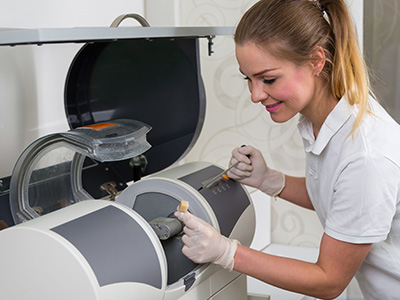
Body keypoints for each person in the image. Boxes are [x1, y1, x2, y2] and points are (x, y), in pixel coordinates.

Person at [174, 0, 400, 299]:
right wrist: (269, 180)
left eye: (268, 79)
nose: (256, 95)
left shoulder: (366, 156)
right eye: (249, 79)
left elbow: (329, 281)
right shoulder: (329, 118)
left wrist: (227, 252)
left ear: (316, 61)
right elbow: (340, 196)